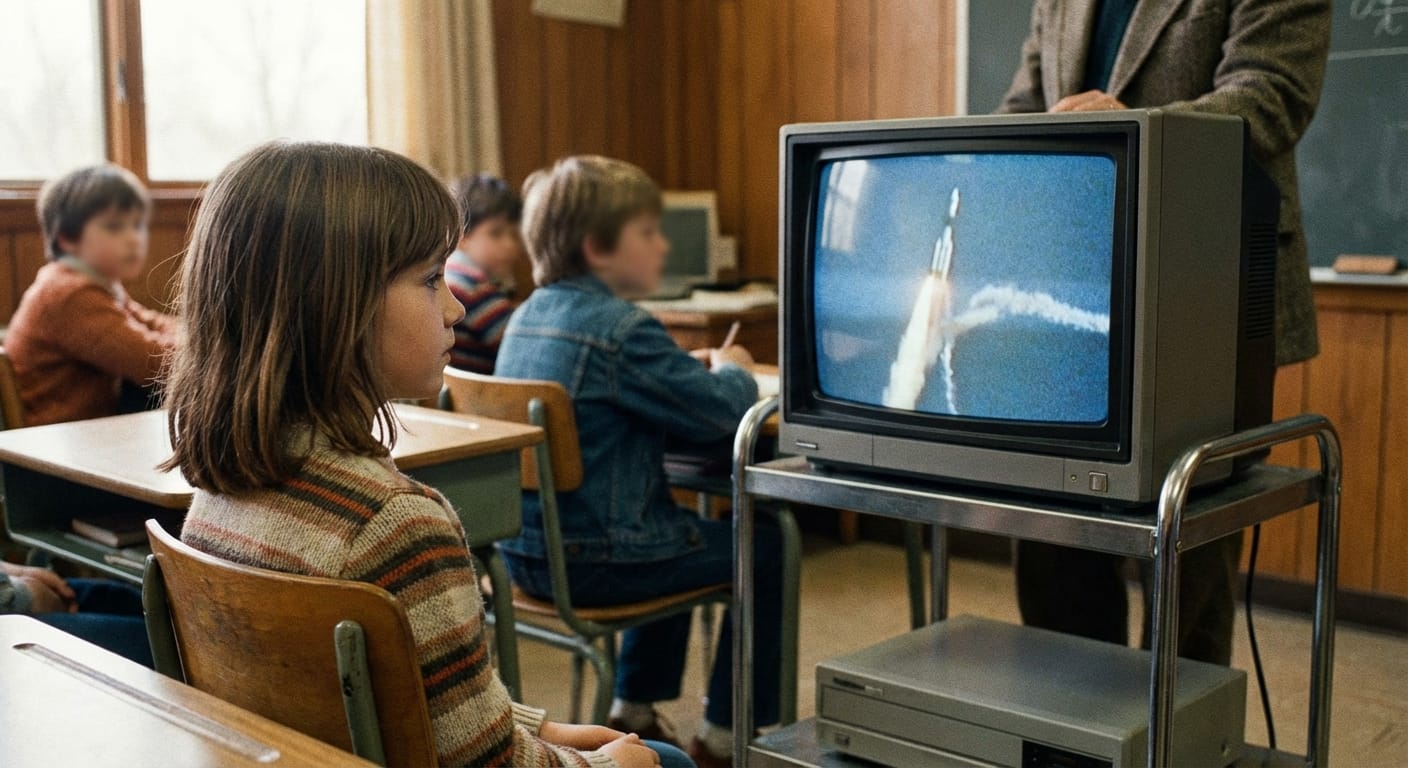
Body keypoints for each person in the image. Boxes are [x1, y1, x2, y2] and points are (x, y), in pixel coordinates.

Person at [161, 140, 687, 768]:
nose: (455, 306)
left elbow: (408, 696)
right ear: (335, 304)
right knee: (662, 760)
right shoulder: (396, 527)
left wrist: (535, 726)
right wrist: (605, 765)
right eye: (432, 278)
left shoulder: (220, 489)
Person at [997, 0, 1331, 664]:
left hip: (1207, 293)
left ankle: (1180, 743)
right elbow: (1022, 108)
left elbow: (1271, 98)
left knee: (1189, 560)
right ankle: (1075, 739)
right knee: (1054, 545)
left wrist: (1133, 128)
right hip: (1070, 293)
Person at [495, 155, 783, 768]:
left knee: (668, 526)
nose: (662, 245)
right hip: (599, 560)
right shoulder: (622, 329)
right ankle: (730, 736)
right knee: (766, 545)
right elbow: (715, 416)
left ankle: (634, 708)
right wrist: (732, 371)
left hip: (523, 556)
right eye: (649, 232)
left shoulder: (526, 315)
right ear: (599, 247)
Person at [6, 163, 178, 426]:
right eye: (115, 227)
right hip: (50, 444)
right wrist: (207, 348)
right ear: (67, 239)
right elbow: (152, 363)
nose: (134, 239)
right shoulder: (69, 295)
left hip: (81, 432)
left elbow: (150, 322)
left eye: (138, 225)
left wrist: (192, 337)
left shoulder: (91, 282)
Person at [0, 561, 152, 666]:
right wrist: (25, 597)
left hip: (12, 587)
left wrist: (14, 571)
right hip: (11, 608)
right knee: (156, 644)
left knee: (142, 605)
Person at [447, 173, 524, 374]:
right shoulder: (475, 288)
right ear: (462, 236)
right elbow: (520, 349)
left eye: (514, 235)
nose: (510, 245)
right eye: (496, 233)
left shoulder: (449, 272)